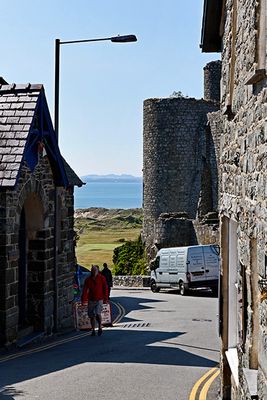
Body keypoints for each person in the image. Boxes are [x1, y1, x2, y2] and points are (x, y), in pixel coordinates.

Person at [81, 265, 108, 336]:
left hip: (99, 299)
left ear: (97, 271)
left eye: (95, 270)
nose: (93, 272)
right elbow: (85, 290)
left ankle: (99, 327)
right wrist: (83, 300)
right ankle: (93, 330)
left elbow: (105, 288)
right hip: (91, 299)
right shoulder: (88, 279)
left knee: (97, 313)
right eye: (92, 270)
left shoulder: (102, 278)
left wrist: (105, 299)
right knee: (91, 315)